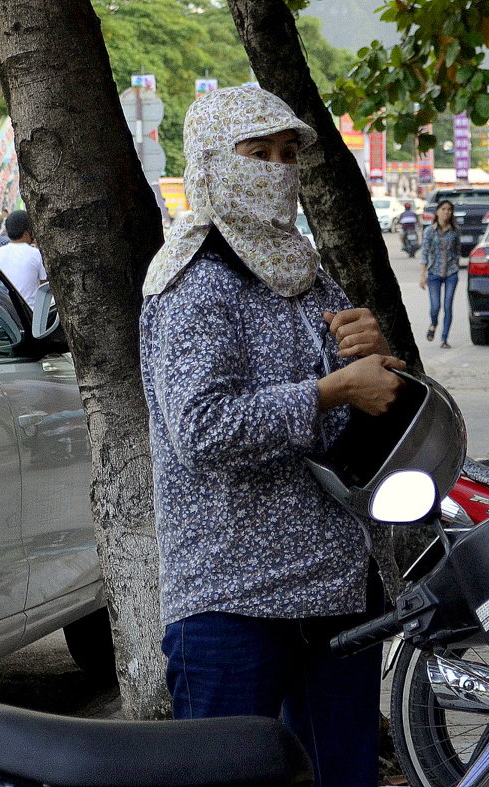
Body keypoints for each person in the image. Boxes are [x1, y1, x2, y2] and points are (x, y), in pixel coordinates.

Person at [139, 85, 405, 787]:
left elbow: (348, 425)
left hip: (333, 587)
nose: (278, 168)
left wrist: (366, 358)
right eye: (257, 153)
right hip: (233, 598)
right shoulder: (193, 285)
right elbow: (202, 428)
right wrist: (330, 390)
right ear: (210, 163)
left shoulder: (311, 275)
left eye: (288, 154)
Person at [419, 199, 462, 348]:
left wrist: (456, 264)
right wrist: (422, 274)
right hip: (434, 273)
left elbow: (458, 251)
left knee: (448, 306)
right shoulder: (430, 231)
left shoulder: (455, 231)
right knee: (435, 306)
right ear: (437, 211)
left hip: (451, 273)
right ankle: (434, 324)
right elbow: (424, 253)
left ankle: (444, 339)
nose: (446, 212)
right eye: (443, 209)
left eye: (449, 210)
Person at [0, 209, 47, 304]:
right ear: (28, 231)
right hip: (32, 313)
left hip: (6, 314)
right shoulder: (37, 255)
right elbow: (45, 289)